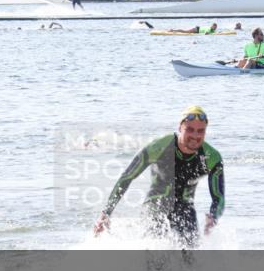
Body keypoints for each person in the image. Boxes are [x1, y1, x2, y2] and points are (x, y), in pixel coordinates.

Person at [93, 106, 224, 248]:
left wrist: (213, 217)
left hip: (185, 210)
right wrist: (106, 213)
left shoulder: (212, 157)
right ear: (180, 128)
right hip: (156, 206)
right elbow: (127, 177)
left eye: (200, 131)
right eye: (190, 129)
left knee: (190, 260)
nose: (195, 136)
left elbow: (219, 198)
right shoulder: (159, 147)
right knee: (156, 256)